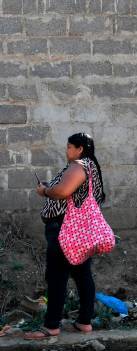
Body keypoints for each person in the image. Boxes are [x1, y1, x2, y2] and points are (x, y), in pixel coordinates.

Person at [24, 133, 106, 340]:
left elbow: (62, 192)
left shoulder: (79, 165)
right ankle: (84, 322)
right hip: (79, 230)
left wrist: (44, 191)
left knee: (57, 277)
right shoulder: (90, 166)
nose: (67, 150)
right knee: (81, 274)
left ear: (80, 149)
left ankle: (51, 326)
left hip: (65, 228)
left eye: (70, 147)